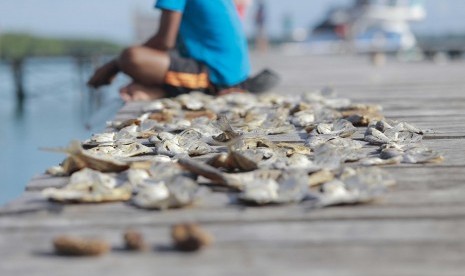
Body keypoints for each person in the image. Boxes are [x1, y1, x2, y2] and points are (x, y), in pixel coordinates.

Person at [88, 0, 279, 101]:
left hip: (218, 73)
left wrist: (114, 65)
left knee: (132, 57)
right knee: (137, 62)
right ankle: (159, 90)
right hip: (225, 66)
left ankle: (221, 89)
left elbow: (164, 41)